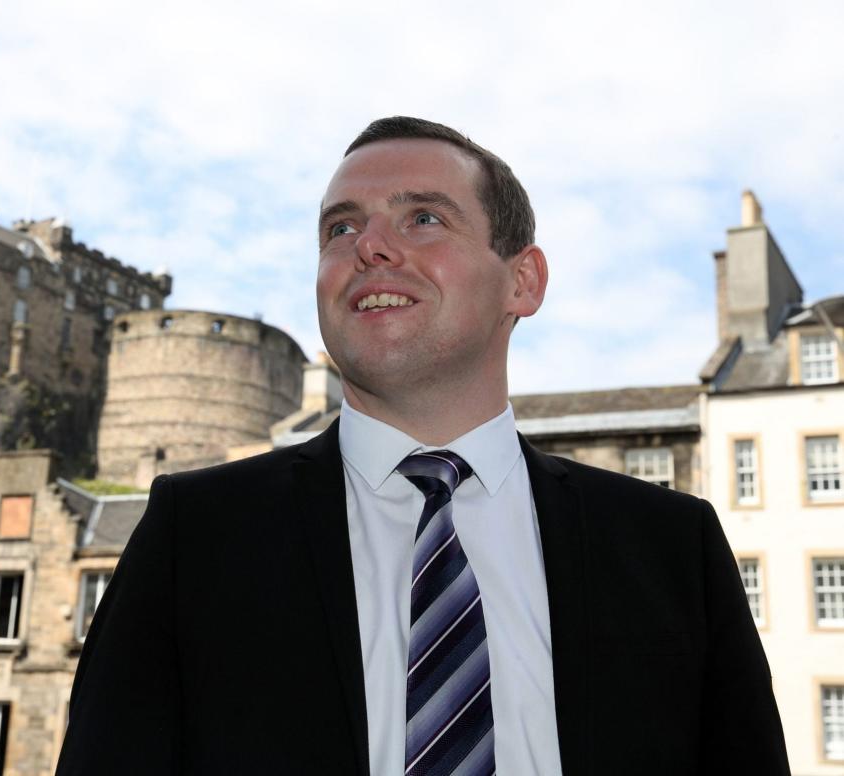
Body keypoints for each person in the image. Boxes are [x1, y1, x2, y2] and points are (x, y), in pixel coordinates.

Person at [56, 117, 789, 775]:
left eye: (423, 218)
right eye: (340, 230)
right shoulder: (197, 537)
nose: (369, 245)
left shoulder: (671, 549)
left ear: (523, 282)